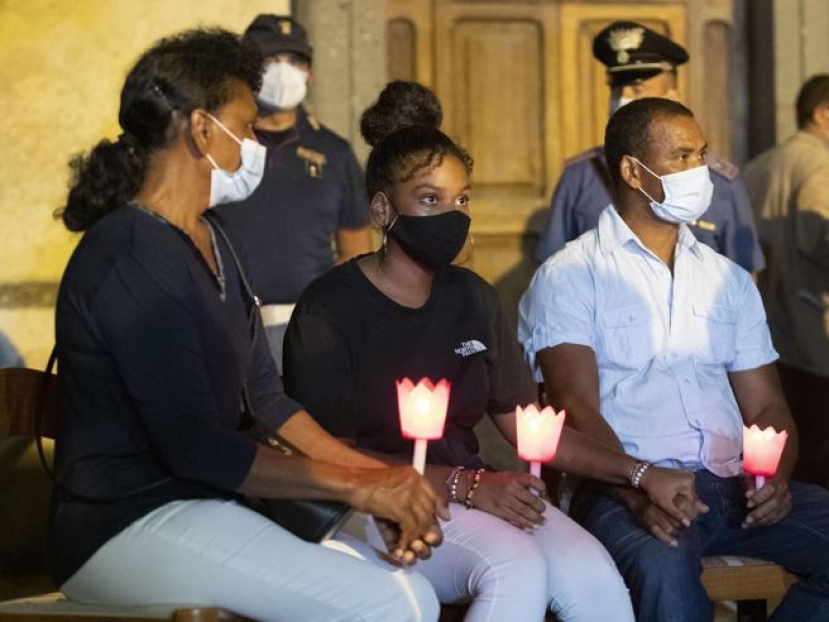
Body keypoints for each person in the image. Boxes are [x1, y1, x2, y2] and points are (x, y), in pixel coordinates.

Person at [50, 28, 445, 622]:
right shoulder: (130, 256)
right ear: (203, 129)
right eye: (248, 125)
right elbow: (196, 446)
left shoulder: (217, 239)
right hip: (122, 525)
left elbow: (267, 399)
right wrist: (355, 487)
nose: (256, 143)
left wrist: (387, 478)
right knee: (384, 603)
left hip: (206, 503)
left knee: (412, 591)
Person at [284, 81, 703, 622]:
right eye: (430, 200)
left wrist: (641, 473)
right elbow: (328, 455)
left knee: (595, 579)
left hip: (471, 491)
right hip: (368, 503)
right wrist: (468, 485)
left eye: (462, 199)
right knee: (514, 566)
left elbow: (532, 427)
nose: (453, 216)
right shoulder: (330, 307)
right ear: (384, 208)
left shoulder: (472, 297)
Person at [519, 97, 829, 621]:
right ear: (632, 171)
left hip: (734, 486)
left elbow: (768, 405)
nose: (699, 172)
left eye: (701, 155)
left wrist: (776, 476)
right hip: (624, 490)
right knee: (664, 568)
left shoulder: (726, 279)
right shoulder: (570, 275)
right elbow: (574, 407)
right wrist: (638, 486)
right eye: (682, 157)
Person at [535, 20, 764, 276]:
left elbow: (744, 276)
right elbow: (552, 269)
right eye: (615, 89)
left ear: (671, 95)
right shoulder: (579, 177)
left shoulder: (717, 182)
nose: (622, 98)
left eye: (636, 89)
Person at [216, 14, 372, 374]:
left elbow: (355, 248)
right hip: (227, 327)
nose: (283, 71)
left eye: (295, 61)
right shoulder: (216, 143)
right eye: (269, 61)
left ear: (310, 72)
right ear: (244, 70)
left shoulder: (334, 152)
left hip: (308, 330)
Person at [743, 75, 829, 490]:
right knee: (816, 455)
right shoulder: (820, 165)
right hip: (813, 334)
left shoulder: (761, 164)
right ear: (823, 113)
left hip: (766, 332)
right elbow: (821, 241)